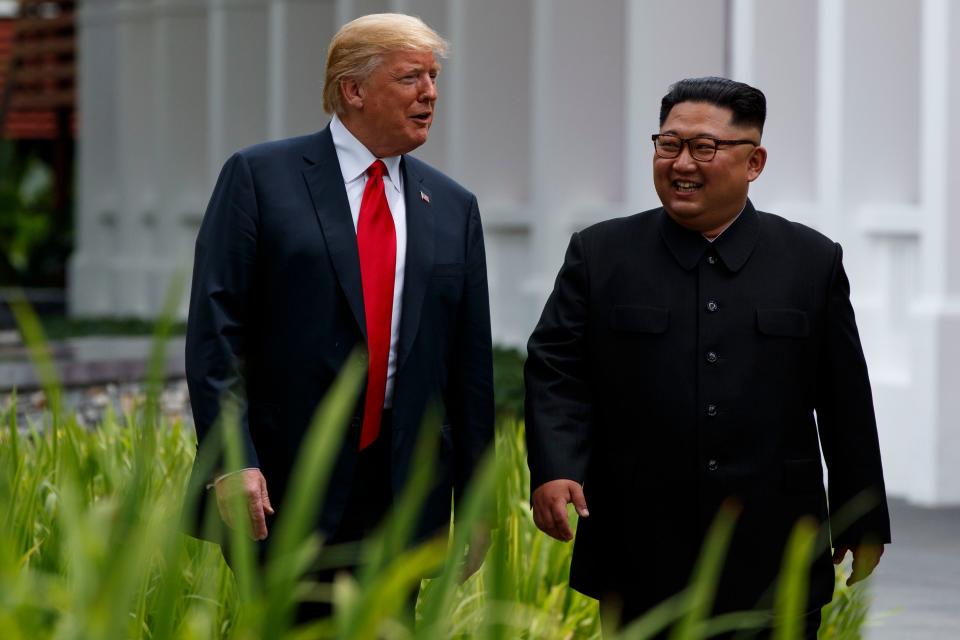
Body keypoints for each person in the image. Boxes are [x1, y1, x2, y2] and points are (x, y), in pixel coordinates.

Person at [524, 77, 890, 638]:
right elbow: (557, 369)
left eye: (704, 147)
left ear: (755, 161)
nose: (681, 163)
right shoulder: (601, 254)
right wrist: (556, 468)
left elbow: (844, 400)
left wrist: (861, 515)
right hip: (639, 543)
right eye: (668, 145)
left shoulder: (810, 261)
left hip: (775, 544)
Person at [184, 12, 494, 616]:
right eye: (410, 78)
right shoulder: (260, 177)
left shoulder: (454, 207)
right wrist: (231, 459)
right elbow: (216, 333)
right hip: (282, 487)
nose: (430, 93)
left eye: (433, 77)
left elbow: (469, 369)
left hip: (401, 493)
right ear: (353, 90)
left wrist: (475, 501)